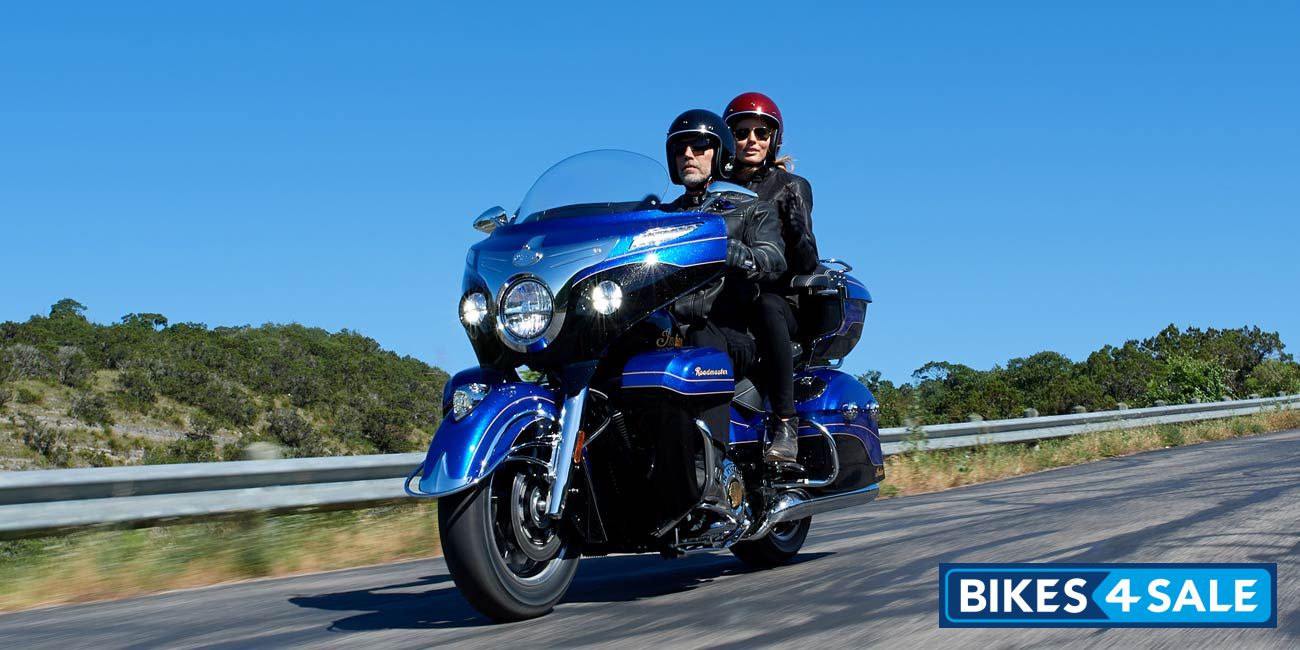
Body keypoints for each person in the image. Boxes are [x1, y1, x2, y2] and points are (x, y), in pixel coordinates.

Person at [647, 108, 785, 528]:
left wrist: (736, 251)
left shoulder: (748, 207)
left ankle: (710, 481)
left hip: (728, 329)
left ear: (719, 154)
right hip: (669, 330)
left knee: (700, 347)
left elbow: (773, 257)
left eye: (700, 146)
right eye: (680, 149)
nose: (689, 154)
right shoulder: (659, 217)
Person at [724, 92, 820, 465]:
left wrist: (798, 232)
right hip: (730, 298)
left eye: (760, 133)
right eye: (741, 132)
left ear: (772, 139)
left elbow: (808, 264)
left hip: (781, 302)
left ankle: (785, 423)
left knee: (766, 306)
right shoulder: (717, 188)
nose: (751, 140)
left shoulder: (791, 186)